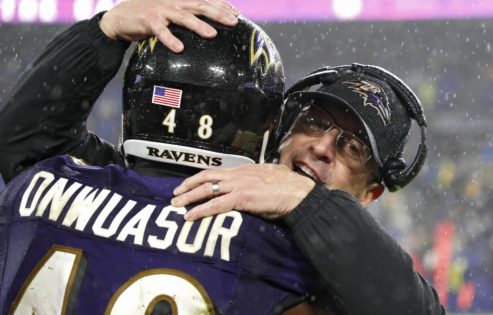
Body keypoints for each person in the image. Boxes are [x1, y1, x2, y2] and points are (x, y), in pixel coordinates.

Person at [0, 1, 319, 314]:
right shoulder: (270, 247)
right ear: (260, 123)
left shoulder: (42, 185)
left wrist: (105, 29)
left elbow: (23, 138)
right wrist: (318, 204)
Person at [170, 64, 446, 315]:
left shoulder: (354, 287)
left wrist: (307, 200)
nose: (322, 147)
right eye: (315, 122)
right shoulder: (198, 193)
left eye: (352, 148)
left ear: (368, 196)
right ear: (283, 132)